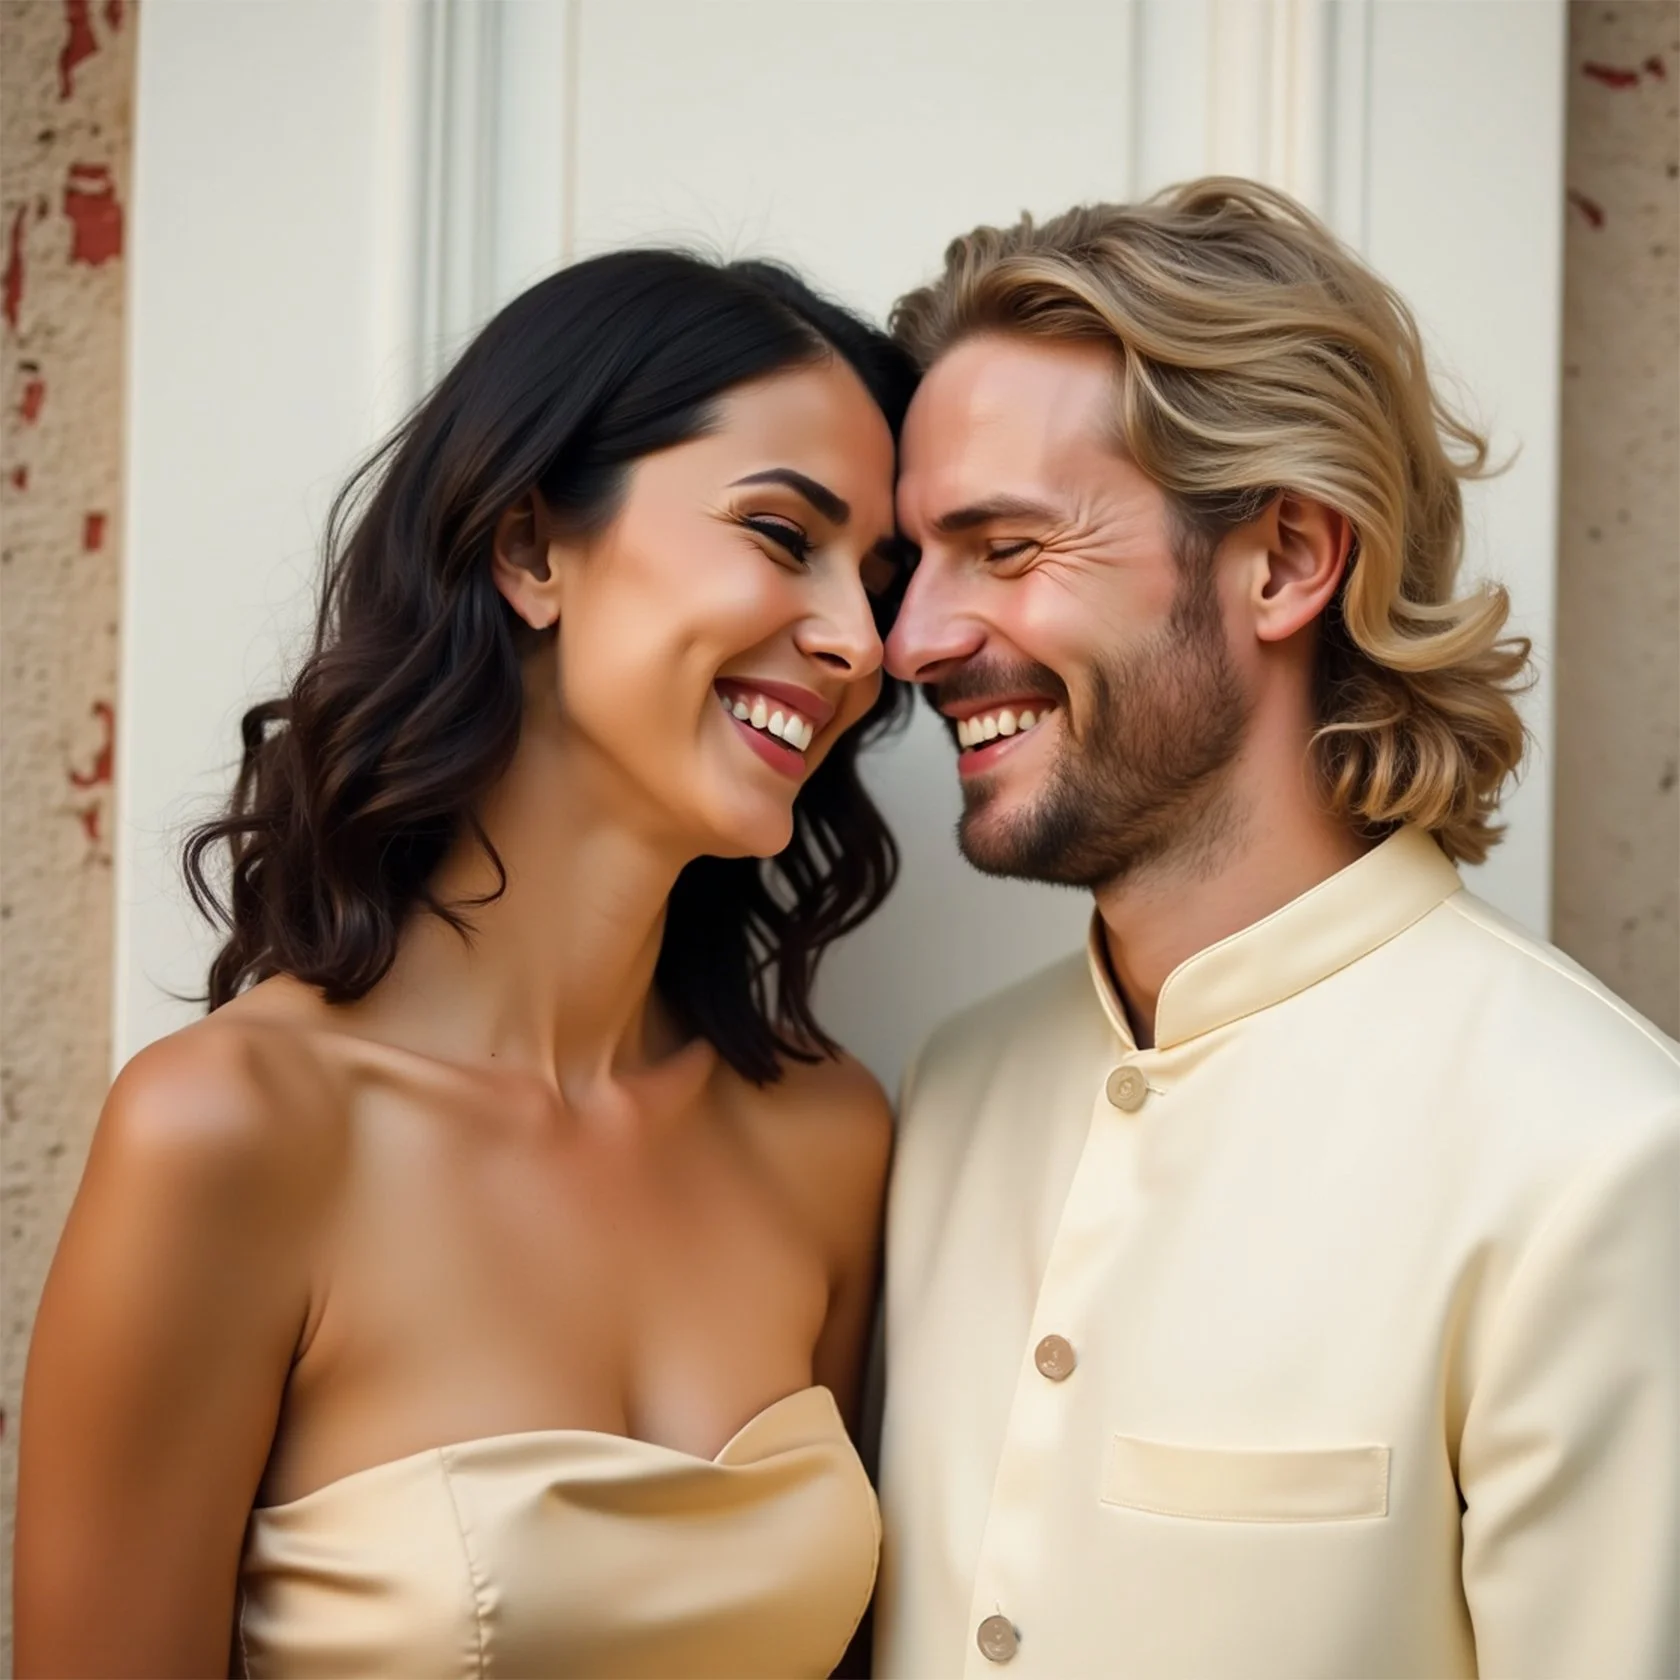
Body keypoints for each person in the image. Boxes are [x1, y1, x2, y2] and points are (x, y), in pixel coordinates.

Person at [17, 250, 917, 1679]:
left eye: (877, 580)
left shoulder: (827, 1138)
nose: (862, 644)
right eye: (779, 535)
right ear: (528, 549)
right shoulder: (232, 1137)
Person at [873, 179, 1680, 1679]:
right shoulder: (948, 1095)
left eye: (1007, 547)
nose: (911, 640)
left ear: (1288, 559)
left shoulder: (1599, 1150)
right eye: (910, 564)